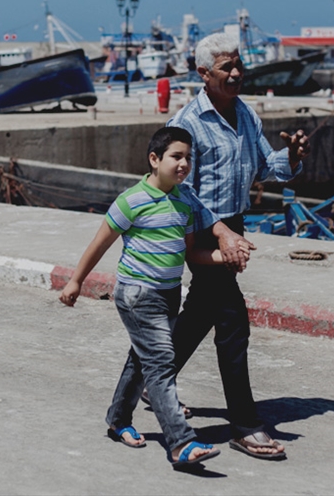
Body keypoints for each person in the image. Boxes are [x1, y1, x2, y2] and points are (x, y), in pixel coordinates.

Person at [167, 32, 310, 461]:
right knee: (232, 322)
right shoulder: (187, 123)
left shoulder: (246, 114)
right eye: (226, 67)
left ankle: (149, 380)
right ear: (203, 73)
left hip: (233, 224)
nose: (235, 73)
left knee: (199, 314)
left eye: (238, 65)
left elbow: (266, 166)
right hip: (200, 229)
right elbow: (181, 190)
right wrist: (219, 233)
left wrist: (292, 156)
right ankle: (245, 426)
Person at [59, 127, 229, 470]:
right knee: (161, 363)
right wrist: (75, 281)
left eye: (188, 158)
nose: (184, 164)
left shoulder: (184, 201)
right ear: (154, 159)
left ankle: (118, 420)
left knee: (142, 360)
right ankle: (181, 442)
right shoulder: (131, 200)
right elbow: (99, 244)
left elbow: (189, 253)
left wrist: (225, 256)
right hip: (137, 294)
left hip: (169, 294)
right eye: (176, 156)